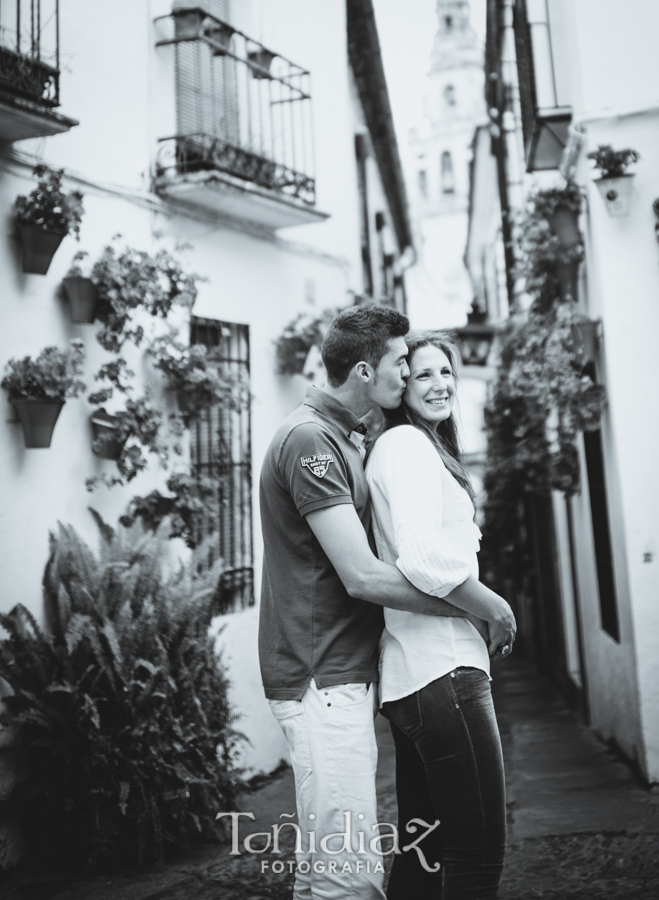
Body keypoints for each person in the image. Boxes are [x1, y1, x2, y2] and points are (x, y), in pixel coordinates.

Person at [258, 307, 515, 900]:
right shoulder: (312, 440)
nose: (419, 377)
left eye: (436, 369)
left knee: (376, 867)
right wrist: (480, 608)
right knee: (347, 879)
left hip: (357, 674)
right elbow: (366, 579)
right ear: (369, 370)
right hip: (323, 675)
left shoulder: (351, 439)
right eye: (408, 365)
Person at [366, 329, 514, 900]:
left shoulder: (418, 449)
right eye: (422, 373)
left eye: (445, 372)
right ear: (402, 387)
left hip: (422, 678)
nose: (438, 383)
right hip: (443, 674)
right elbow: (423, 558)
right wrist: (495, 608)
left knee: (423, 858)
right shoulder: (406, 447)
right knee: (477, 859)